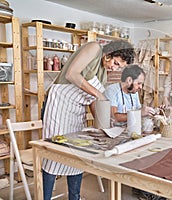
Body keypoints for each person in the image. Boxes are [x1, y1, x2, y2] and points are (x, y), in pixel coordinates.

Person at [41, 40, 135, 200]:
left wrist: (103, 125)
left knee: (77, 154)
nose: (115, 68)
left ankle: (74, 198)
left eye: (119, 67)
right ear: (110, 53)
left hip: (76, 110)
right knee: (54, 153)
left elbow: (92, 99)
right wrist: (99, 95)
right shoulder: (95, 48)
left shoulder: (104, 73)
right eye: (116, 63)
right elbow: (72, 74)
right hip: (59, 103)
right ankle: (46, 197)